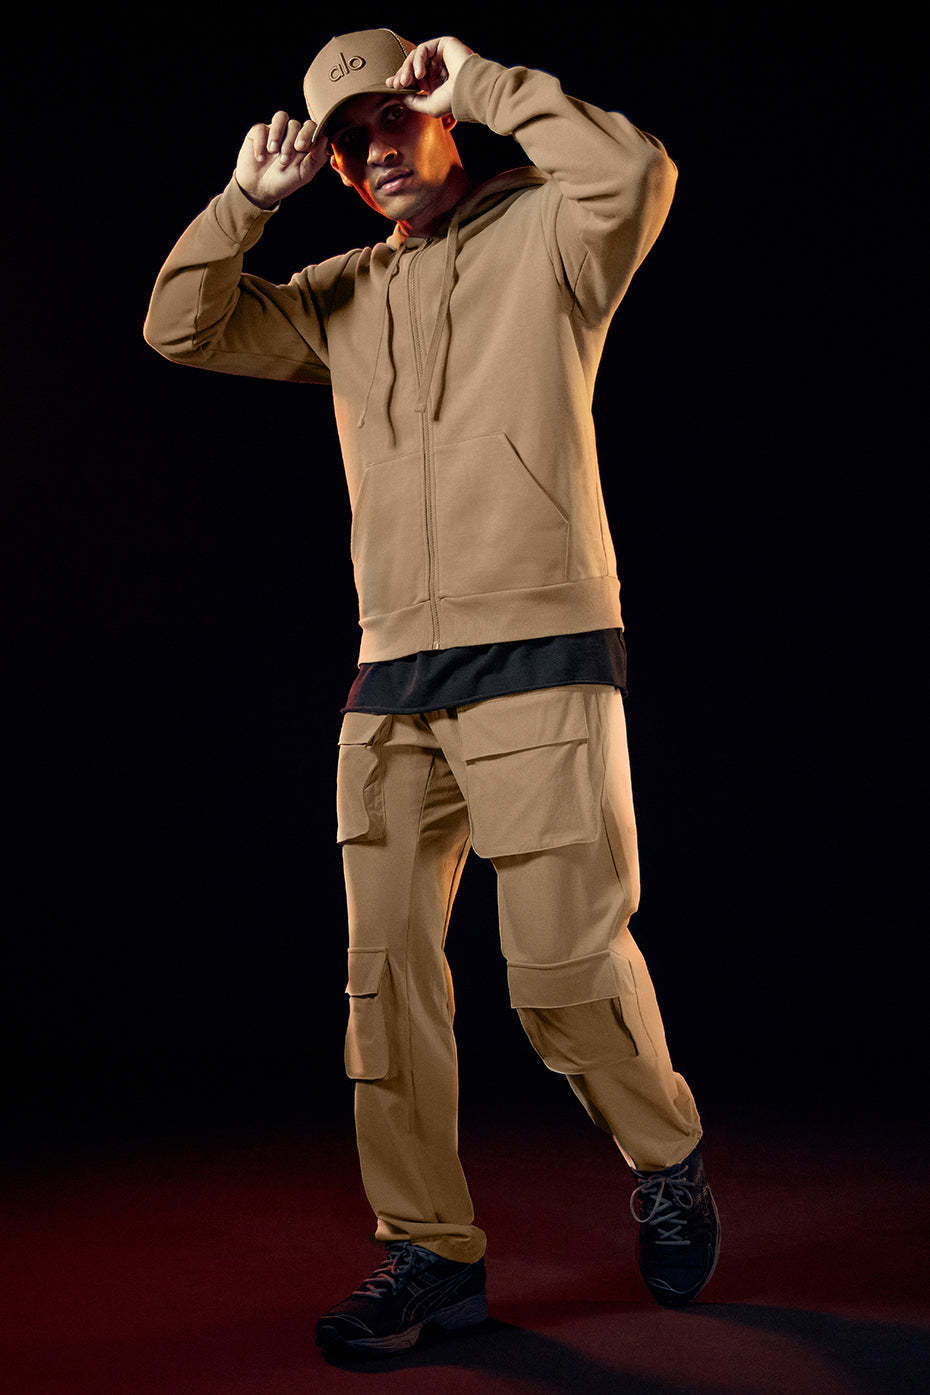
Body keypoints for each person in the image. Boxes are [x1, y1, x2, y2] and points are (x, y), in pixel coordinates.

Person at [144, 26, 721, 1355]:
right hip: (392, 677)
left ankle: (666, 1156)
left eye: (391, 120)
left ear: (439, 110)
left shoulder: (551, 235)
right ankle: (430, 1254)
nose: (373, 153)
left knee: (561, 976)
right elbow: (181, 326)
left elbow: (635, 173)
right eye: (347, 144)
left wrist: (488, 83)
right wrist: (247, 202)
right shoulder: (341, 291)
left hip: (540, 656)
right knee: (384, 991)